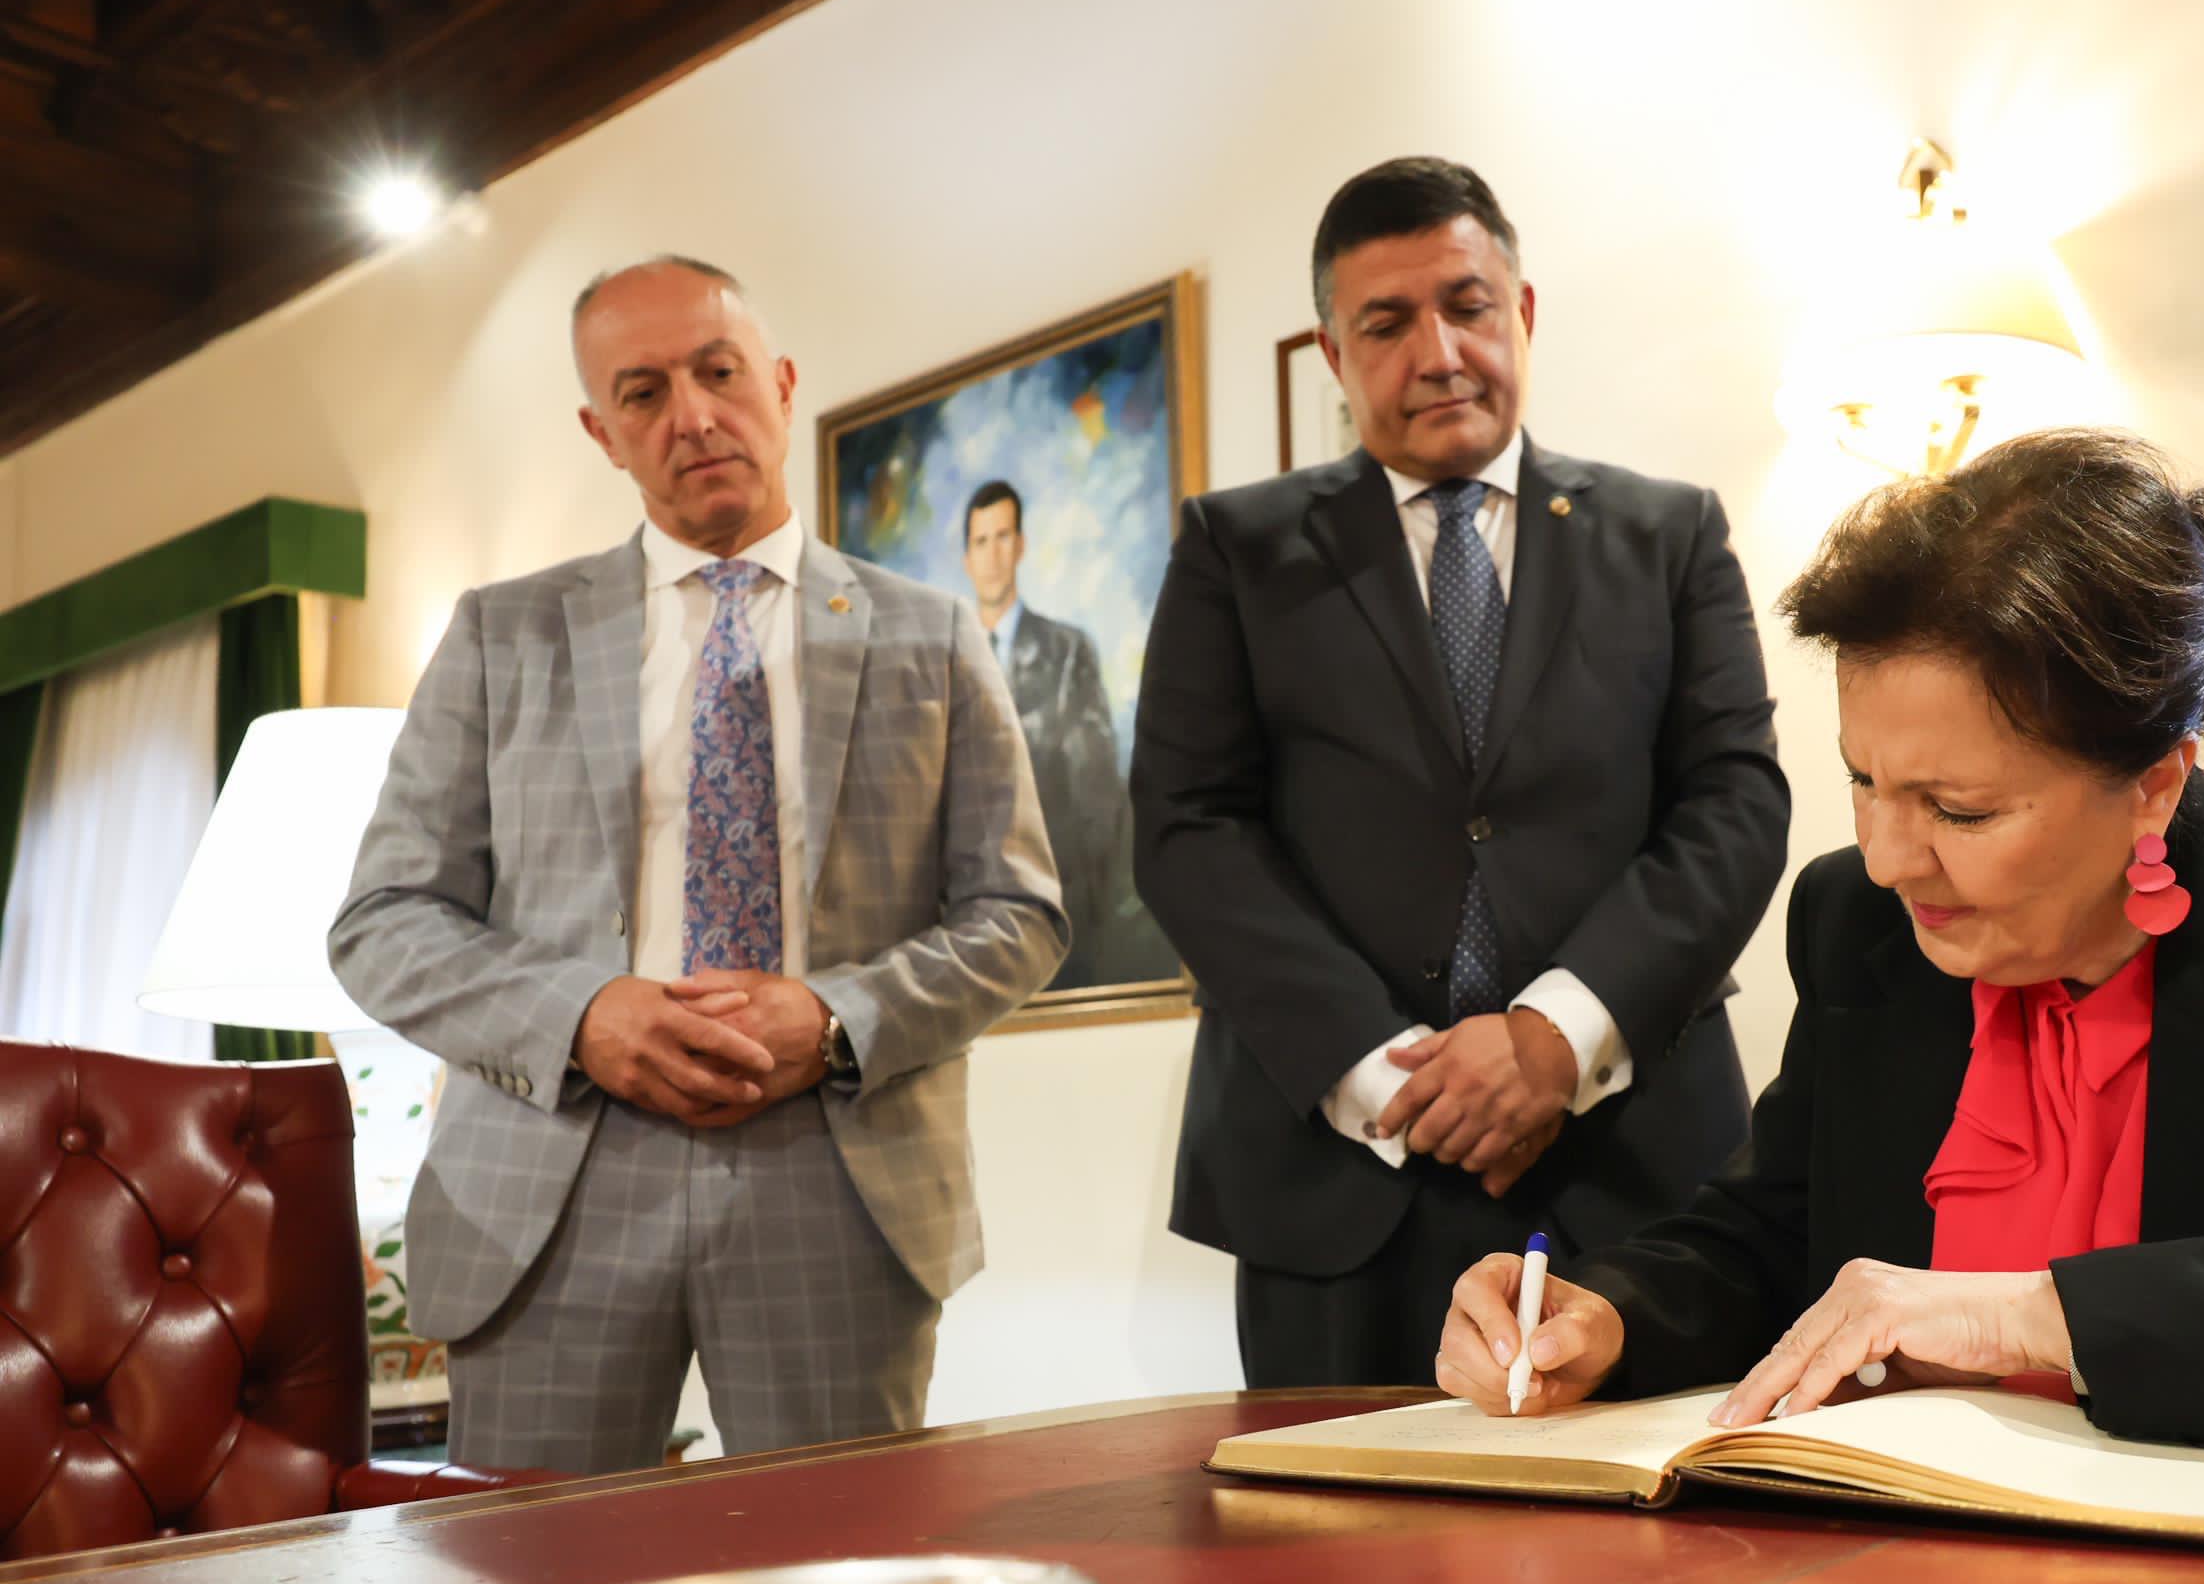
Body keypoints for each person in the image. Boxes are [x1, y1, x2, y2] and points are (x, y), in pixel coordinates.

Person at [1434, 429, 2204, 1478]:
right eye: (1865, 782)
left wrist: (2037, 1313)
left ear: (2154, 785)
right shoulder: (1865, 930)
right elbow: (1766, 1242)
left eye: (1958, 811)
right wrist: (1604, 1316)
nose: (1888, 857)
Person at [331, 255, 1069, 1474]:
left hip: (834, 1180)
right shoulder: (498, 634)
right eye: (643, 391)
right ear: (601, 431)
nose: (692, 414)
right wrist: (582, 1015)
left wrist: (836, 1016)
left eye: (719, 372)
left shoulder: (928, 636)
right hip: (551, 1190)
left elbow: (1020, 913)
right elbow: (382, 920)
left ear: (779, 383)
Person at [1133, 157, 1791, 1387]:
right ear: (1334, 353)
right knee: (1336, 1566)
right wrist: (1395, 1080)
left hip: (1635, 1162)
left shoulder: (1671, 534)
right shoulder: (1236, 550)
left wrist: (1552, 1035)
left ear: (1522, 313)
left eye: (1468, 305)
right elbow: (1187, 829)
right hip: (1339, 1176)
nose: (1437, 351)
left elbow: (1736, 804)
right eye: (1386, 323)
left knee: (1672, 1563)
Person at [958, 480, 1167, 988]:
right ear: (967, 557)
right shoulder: (943, 664)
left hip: (1059, 917)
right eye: (981, 541)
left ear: (1021, 545)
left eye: (1003, 536)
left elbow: (1097, 801)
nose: (993, 555)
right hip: (963, 936)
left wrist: (1087, 921)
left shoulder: (1068, 652)